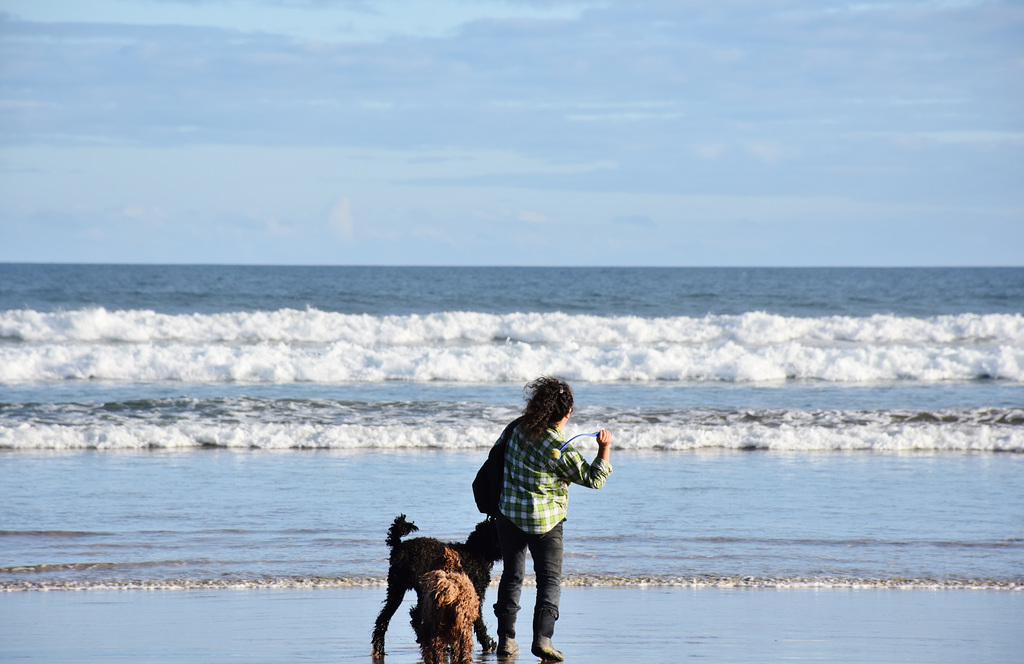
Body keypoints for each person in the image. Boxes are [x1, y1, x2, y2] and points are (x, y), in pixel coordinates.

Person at [493, 376, 613, 662]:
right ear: (567, 413)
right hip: (545, 524)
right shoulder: (558, 447)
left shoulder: (516, 428)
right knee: (549, 580)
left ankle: (506, 641)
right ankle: (543, 640)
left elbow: (497, 456)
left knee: (512, 577)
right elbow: (594, 479)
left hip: (508, 515)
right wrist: (604, 448)